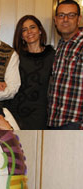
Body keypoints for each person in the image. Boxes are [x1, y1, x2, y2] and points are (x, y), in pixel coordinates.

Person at [4, 15, 55, 130]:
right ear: (21, 35)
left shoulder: (52, 56)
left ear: (40, 30)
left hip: (40, 114)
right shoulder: (15, 56)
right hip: (14, 112)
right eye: (24, 30)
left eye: (32, 27)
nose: (29, 32)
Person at [48, 0, 83, 129]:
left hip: (76, 123)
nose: (66, 19)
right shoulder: (61, 45)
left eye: (71, 15)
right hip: (56, 121)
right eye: (61, 15)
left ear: (78, 19)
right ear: (56, 20)